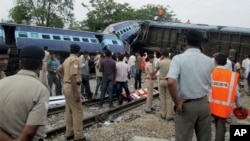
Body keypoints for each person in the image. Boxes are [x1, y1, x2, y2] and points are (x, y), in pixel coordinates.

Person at [167, 29, 214, 141]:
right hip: (204, 104)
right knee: (205, 138)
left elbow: (171, 81)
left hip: (186, 105)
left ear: (186, 41)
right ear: (201, 43)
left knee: (183, 138)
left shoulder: (178, 59)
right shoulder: (209, 61)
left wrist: (177, 102)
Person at [0, 46, 49, 141]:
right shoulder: (41, 90)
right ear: (41, 65)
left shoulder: (3, 80)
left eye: (6, 58)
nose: (5, 62)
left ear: (20, 63)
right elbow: (29, 132)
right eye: (1, 59)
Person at [57, 44, 87, 141]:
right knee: (78, 111)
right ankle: (79, 136)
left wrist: (65, 79)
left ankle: (69, 133)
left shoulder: (67, 59)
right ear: (79, 51)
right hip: (72, 86)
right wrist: (76, 93)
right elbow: (73, 76)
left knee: (69, 111)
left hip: (66, 86)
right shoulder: (75, 60)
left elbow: (58, 70)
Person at [209, 53, 242, 141]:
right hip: (224, 107)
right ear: (226, 62)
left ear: (215, 61)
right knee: (221, 125)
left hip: (210, 105)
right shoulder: (232, 75)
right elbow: (236, 94)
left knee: (209, 125)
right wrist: (239, 106)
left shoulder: (210, 72)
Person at [154, 51, 173, 120]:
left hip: (161, 81)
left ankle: (163, 114)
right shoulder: (172, 62)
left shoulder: (160, 62)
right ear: (169, 55)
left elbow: (155, 67)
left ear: (163, 55)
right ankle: (169, 115)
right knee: (169, 98)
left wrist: (160, 59)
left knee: (162, 97)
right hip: (169, 81)